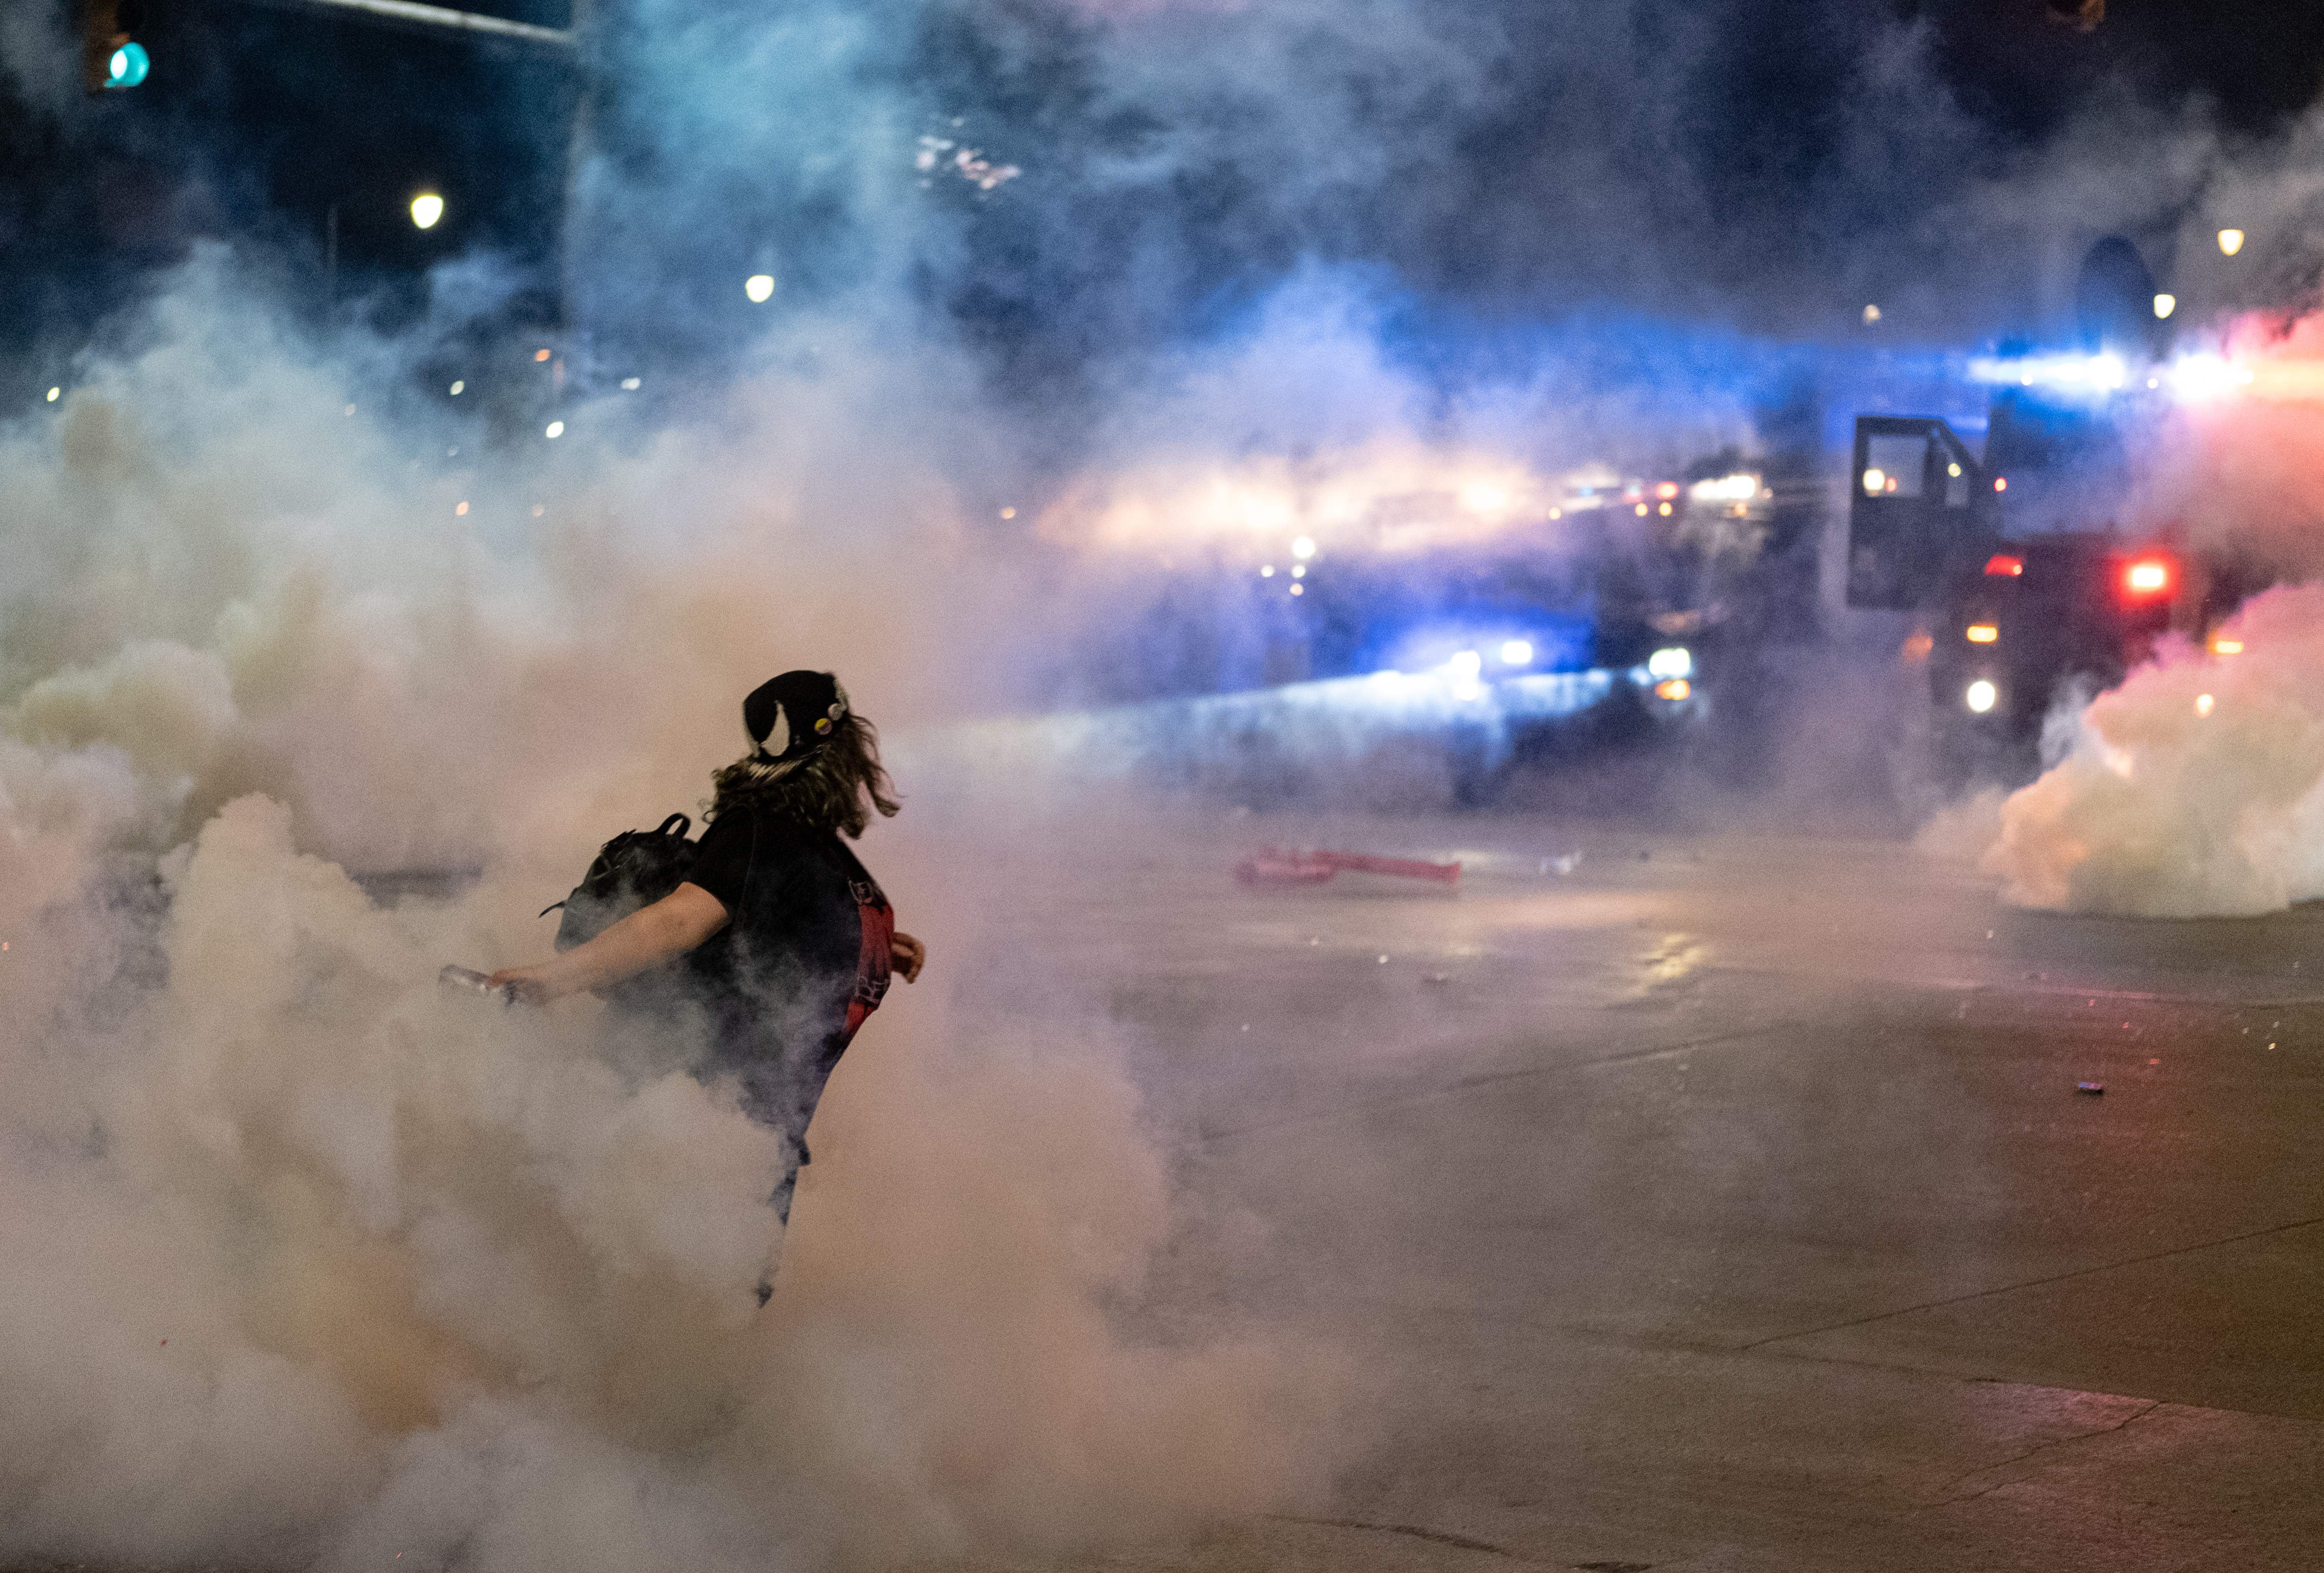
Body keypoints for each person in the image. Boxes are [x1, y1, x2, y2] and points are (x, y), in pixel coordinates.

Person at [487, 670, 925, 1300]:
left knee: (707, 1332)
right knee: (671, 1323)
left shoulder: (811, 851)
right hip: (690, 1140)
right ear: (841, 743)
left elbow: (780, 932)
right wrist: (550, 981)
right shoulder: (758, 827)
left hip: (746, 1151)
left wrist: (881, 944)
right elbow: (679, 920)